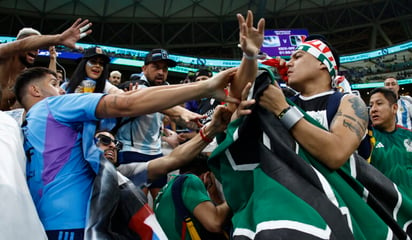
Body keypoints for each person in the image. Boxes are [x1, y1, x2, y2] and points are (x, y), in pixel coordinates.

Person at [14, 66, 237, 239]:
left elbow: (172, 160)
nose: (62, 89)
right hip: (78, 226)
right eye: (54, 83)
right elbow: (126, 103)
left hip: (45, 226)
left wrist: (211, 128)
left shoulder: (22, 129)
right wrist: (206, 87)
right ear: (35, 90)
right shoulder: (53, 106)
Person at [116, 48, 204, 199]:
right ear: (144, 68)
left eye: (164, 68)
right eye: (156, 67)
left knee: (161, 202)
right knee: (139, 207)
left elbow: (158, 121)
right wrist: (183, 112)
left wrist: (165, 135)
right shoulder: (135, 86)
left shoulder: (165, 87)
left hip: (156, 153)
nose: (161, 72)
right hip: (133, 153)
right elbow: (158, 104)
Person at [0, 18, 92, 110]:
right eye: (34, 45)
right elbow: (21, 44)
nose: (36, 50)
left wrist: (53, 59)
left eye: (39, 47)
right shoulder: (3, 55)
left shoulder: (25, 78)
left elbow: (48, 84)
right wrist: (59, 39)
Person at [154, 153, 231, 240]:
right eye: (211, 182)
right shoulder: (190, 180)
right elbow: (214, 223)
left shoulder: (164, 191)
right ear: (207, 175)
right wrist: (233, 198)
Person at [368, 87, 412, 191]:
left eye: (379, 103)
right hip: (383, 205)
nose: (373, 109)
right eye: (371, 105)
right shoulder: (365, 137)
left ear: (394, 108)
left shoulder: (409, 135)